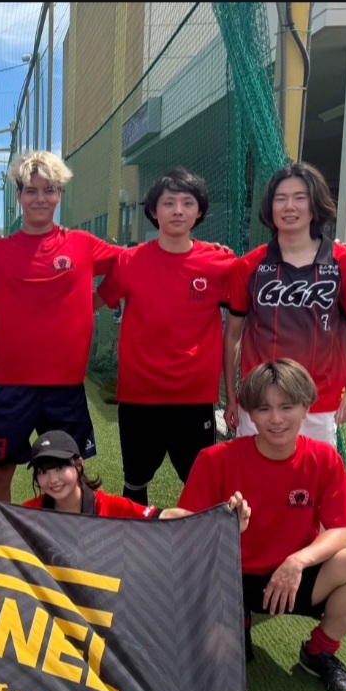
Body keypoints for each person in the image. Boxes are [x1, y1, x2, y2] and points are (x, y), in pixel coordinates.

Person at [179, 359, 346, 691]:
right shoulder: (216, 459)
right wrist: (222, 524)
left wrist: (298, 561)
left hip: (292, 579)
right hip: (229, 579)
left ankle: (319, 652)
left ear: (306, 408)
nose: (276, 419)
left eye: (286, 407)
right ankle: (237, 622)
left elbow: (344, 531)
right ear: (250, 414)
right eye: (264, 408)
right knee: (215, 676)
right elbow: (184, 530)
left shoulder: (323, 459)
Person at [0, 150, 121, 502]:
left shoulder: (82, 245)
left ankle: (76, 534)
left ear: (60, 194)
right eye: (31, 191)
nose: (40, 199)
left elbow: (131, 265)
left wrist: (97, 300)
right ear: (19, 195)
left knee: (74, 472)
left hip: (66, 388)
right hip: (9, 388)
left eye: (49, 190)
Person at [223, 161, 346, 448]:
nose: (289, 206)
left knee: (314, 475)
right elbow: (233, 334)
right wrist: (231, 396)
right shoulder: (249, 266)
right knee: (254, 474)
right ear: (270, 207)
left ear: (315, 205)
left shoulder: (344, 261)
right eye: (280, 198)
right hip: (258, 400)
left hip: (319, 403)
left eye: (299, 198)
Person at [96, 168, 235, 506]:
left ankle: (199, 542)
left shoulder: (221, 262)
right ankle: (137, 540)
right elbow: (94, 302)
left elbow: (251, 302)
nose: (177, 211)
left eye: (187, 203)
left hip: (194, 399)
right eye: (168, 202)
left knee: (203, 489)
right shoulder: (130, 261)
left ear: (199, 211)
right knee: (135, 484)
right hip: (139, 396)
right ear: (153, 210)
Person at [23, 429, 248, 525]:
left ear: (80, 465)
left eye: (60, 467)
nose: (52, 479)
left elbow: (164, 516)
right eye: (43, 471)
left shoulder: (107, 506)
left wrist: (222, 520)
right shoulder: (30, 512)